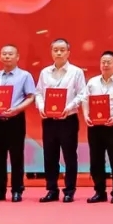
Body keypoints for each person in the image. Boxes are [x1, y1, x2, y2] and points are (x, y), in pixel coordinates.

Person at [35, 38, 87, 203]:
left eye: (62, 50)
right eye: (55, 50)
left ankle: (69, 190)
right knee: (50, 156)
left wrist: (69, 107)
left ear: (68, 52)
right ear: (51, 52)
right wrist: (41, 107)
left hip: (68, 119)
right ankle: (52, 190)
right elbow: (38, 93)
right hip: (49, 120)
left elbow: (82, 94)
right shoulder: (45, 72)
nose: (58, 53)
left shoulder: (76, 72)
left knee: (70, 156)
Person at [0, 44, 36, 202]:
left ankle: (17, 190)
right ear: (0, 57)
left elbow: (31, 97)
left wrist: (16, 109)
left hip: (15, 120)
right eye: (4, 54)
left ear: (17, 57)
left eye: (10, 54)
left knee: (16, 157)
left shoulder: (25, 75)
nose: (7, 56)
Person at [80, 50, 113, 203]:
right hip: (94, 126)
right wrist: (86, 115)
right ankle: (99, 191)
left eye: (109, 62)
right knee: (96, 160)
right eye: (103, 62)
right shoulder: (92, 82)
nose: (105, 65)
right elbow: (85, 100)